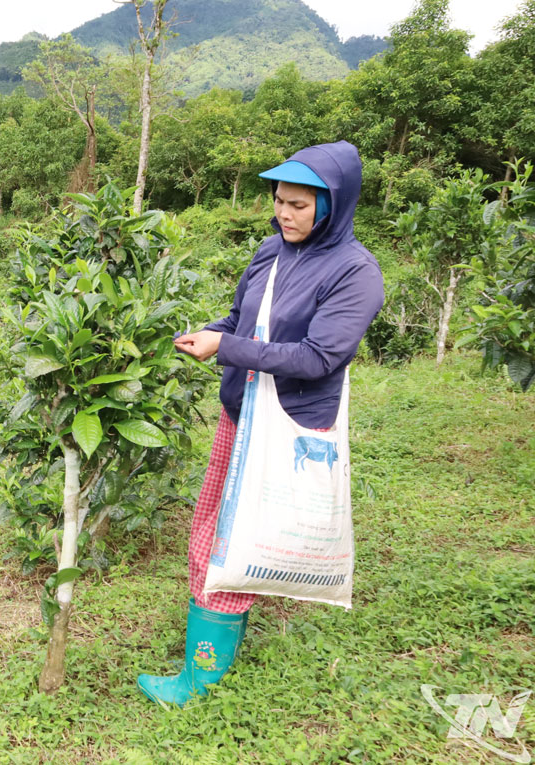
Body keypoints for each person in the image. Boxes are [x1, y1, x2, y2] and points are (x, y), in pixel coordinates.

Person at [138, 141, 384, 706]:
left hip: (290, 426)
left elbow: (320, 358)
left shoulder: (355, 273)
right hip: (241, 413)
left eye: (299, 205)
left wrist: (227, 346)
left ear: (334, 205)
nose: (284, 214)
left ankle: (200, 680)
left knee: (236, 538)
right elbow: (240, 318)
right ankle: (214, 655)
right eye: (279, 201)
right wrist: (208, 332)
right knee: (218, 526)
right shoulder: (270, 251)